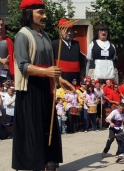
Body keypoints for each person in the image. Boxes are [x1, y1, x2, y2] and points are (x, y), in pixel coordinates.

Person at [12, 0, 73, 170]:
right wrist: (46, 73)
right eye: (40, 12)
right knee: (34, 127)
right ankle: (34, 163)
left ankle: (49, 160)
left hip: (46, 86)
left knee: (48, 123)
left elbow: (48, 64)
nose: (44, 16)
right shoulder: (22, 35)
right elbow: (23, 65)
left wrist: (59, 80)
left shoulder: (44, 35)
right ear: (29, 13)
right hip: (31, 87)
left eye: (44, 12)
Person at [52, 18, 83, 85]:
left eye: (70, 30)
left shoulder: (76, 44)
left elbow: (80, 61)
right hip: (62, 76)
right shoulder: (54, 44)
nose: (69, 33)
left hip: (75, 77)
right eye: (67, 30)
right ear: (60, 31)